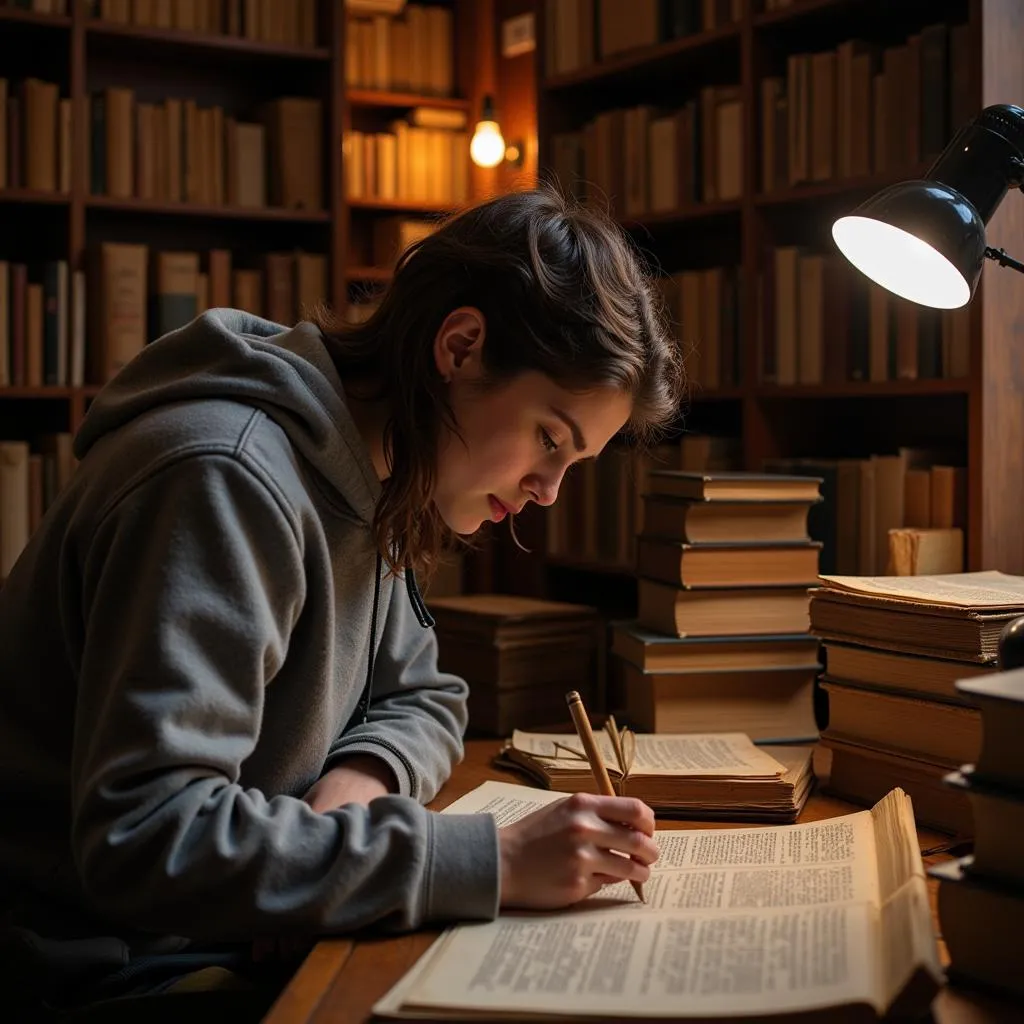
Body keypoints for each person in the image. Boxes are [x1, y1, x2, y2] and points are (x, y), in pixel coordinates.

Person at [0, 185, 685, 1022]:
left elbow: (426, 696)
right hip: (100, 965)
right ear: (461, 345)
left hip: (224, 931)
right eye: (550, 439)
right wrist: (494, 861)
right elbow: (148, 839)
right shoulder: (224, 478)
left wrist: (354, 788)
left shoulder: (373, 477)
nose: (547, 492)